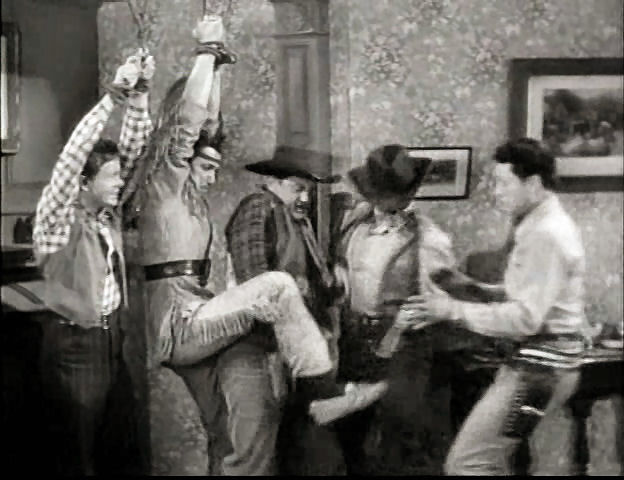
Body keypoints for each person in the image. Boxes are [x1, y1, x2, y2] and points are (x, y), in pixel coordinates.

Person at [134, 16, 384, 475]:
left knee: (230, 432)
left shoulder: (193, 201)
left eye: (216, 167)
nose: (212, 177)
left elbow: (205, 123)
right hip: (177, 323)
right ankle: (323, 394)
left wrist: (218, 69)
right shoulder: (162, 188)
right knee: (276, 285)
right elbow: (185, 125)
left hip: (198, 314)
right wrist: (207, 50)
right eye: (204, 167)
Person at [400, 138, 591, 475]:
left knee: (468, 463)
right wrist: (474, 289)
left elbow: (524, 319)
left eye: (503, 183)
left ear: (533, 183)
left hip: (539, 370)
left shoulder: (545, 234)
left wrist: (449, 310)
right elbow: (532, 294)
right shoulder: (540, 224)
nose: (495, 192)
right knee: (488, 461)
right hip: (539, 366)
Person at [32, 50, 155, 475]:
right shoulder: (57, 219)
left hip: (111, 341)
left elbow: (134, 153)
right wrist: (114, 95)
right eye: (110, 177)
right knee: (79, 457)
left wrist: (139, 95)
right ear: (84, 182)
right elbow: (72, 156)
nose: (120, 182)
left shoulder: (106, 215)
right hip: (75, 348)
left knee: (122, 452)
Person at [328, 144, 472, 474]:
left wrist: (412, 319)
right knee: (350, 436)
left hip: (404, 349)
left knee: (398, 441)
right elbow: (342, 268)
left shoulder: (430, 239)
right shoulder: (353, 226)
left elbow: (442, 301)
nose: (384, 205)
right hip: (353, 343)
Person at [223, 145, 348, 475]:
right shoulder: (258, 207)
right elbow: (255, 282)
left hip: (291, 346)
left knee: (298, 440)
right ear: (273, 182)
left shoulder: (298, 222)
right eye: (297, 188)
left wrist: (335, 282)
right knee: (259, 444)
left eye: (308, 190)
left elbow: (317, 286)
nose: (304, 197)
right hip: (259, 344)